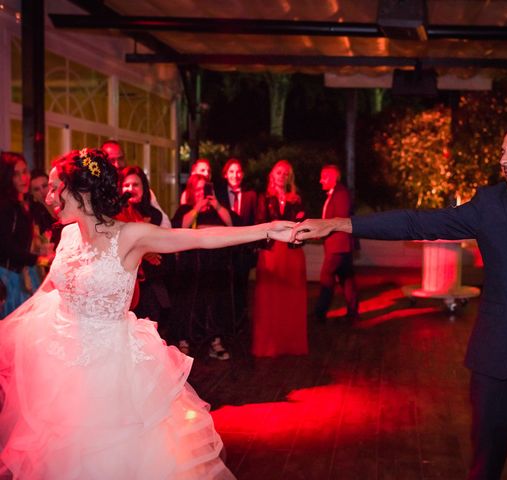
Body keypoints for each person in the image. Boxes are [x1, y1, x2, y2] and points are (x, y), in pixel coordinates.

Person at [293, 123, 507, 480]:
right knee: (485, 468)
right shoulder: (489, 206)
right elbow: (417, 223)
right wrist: (339, 224)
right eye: (503, 151)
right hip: (497, 366)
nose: (503, 159)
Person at [0, 148, 294, 479]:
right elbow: (49, 289)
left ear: (81, 190)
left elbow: (199, 238)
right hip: (60, 370)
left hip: (111, 374)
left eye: (56, 188)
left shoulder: (129, 236)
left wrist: (267, 229)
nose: (49, 197)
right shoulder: (67, 234)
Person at [171, 174, 234, 360]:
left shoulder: (217, 210)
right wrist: (197, 208)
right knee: (188, 302)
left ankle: (214, 341)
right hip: (191, 263)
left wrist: (217, 205)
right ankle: (184, 340)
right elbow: (181, 226)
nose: (202, 193)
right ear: (191, 191)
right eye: (198, 190)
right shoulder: (186, 209)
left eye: (205, 189)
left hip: (214, 264)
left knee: (213, 303)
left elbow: (231, 225)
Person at [253, 160, 308, 357]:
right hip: (272, 253)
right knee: (270, 299)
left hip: (292, 253)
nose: (281, 176)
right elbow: (260, 224)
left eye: (285, 173)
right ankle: (269, 347)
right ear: (272, 175)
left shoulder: (296, 199)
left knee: (291, 299)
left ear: (289, 177)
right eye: (278, 172)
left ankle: (292, 345)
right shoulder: (264, 198)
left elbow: (304, 224)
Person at [117, 166, 171, 332]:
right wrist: (143, 252)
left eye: (136, 185)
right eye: (127, 185)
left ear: (144, 188)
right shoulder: (117, 211)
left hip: (152, 277)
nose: (131, 189)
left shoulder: (154, 214)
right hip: (127, 280)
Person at [0, 152, 52, 318]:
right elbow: (5, 246)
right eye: (16, 174)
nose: (23, 178)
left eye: (25, 171)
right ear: (8, 177)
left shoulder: (26, 202)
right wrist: (39, 259)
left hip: (23, 272)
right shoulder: (5, 206)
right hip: (7, 276)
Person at [216, 158, 258, 332]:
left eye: (238, 171)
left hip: (244, 250)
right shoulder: (218, 194)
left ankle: (240, 322)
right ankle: (224, 322)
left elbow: (255, 221)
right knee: (224, 286)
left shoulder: (251, 195)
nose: (235, 175)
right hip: (224, 248)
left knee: (242, 285)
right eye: (232, 171)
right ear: (226, 174)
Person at [315, 164, 358, 323]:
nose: (320, 180)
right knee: (346, 279)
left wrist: (321, 231)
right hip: (340, 245)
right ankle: (353, 313)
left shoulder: (340, 194)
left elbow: (338, 221)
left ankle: (320, 313)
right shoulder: (336, 194)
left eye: (323, 177)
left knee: (326, 277)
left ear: (333, 178)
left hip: (338, 246)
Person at [100, 140, 171, 228]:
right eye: (112, 160)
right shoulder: (98, 191)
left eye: (120, 159)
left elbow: (166, 224)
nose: (117, 165)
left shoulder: (147, 195)